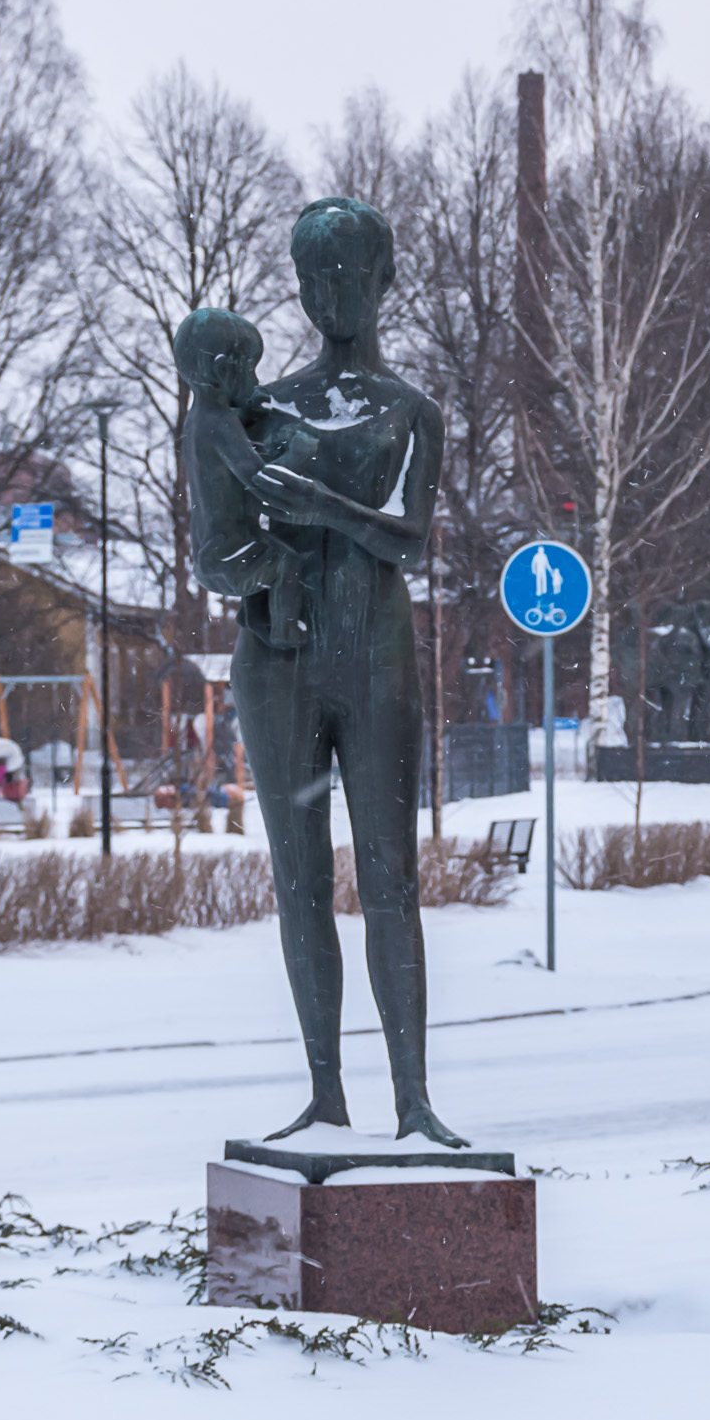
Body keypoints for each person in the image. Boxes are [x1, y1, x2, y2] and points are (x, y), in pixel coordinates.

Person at [209, 197, 459, 1147]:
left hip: (378, 656)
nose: (331, 295)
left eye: (349, 274)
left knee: (392, 876)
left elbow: (410, 539)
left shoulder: (413, 412)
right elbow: (213, 546)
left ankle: (414, 1100)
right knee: (300, 879)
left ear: (384, 279)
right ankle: (326, 1094)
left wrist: (322, 508)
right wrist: (255, 569)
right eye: (314, 278)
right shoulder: (259, 408)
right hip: (280, 662)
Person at [173, 307, 309, 651]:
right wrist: (297, 454)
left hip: (209, 553)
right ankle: (285, 634)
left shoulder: (198, 419)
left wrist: (246, 412)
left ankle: (256, 618)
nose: (256, 380)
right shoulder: (222, 424)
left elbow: (222, 452)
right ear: (223, 369)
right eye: (249, 369)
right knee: (287, 563)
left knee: (267, 551)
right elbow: (260, 481)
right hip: (231, 555)